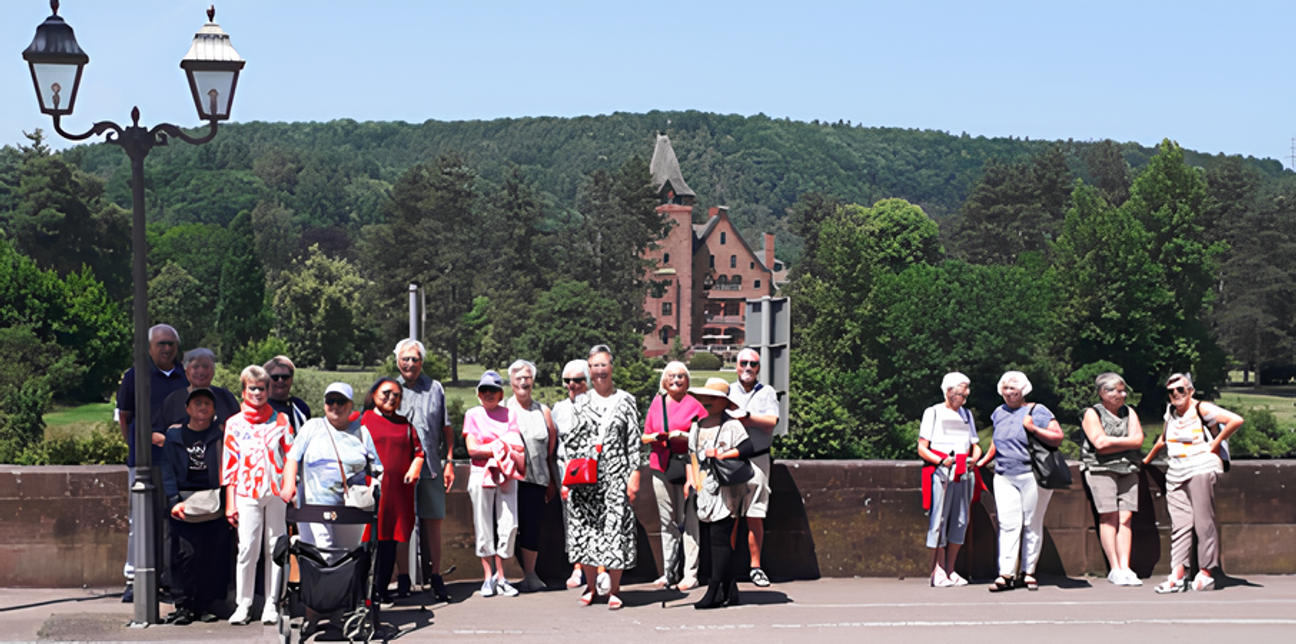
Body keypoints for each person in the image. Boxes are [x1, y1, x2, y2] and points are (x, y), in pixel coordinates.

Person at [280, 382, 381, 634]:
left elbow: (377, 468)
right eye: (330, 401)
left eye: (340, 401)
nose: (334, 406)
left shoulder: (361, 432)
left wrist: (373, 489)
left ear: (351, 405)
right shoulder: (312, 427)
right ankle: (313, 614)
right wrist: (289, 485)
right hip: (313, 506)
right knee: (319, 557)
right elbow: (292, 457)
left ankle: (337, 613)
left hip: (350, 509)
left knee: (344, 559)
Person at [1144, 373, 1243, 593]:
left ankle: (1206, 572)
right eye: (1171, 391)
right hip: (1175, 470)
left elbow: (1235, 420)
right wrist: (1146, 461)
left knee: (1203, 522)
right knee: (1180, 524)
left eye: (1180, 390)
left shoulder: (1201, 408)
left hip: (1201, 467)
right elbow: (1163, 439)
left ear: (1191, 391)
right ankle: (1178, 574)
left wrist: (1216, 443)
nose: (1176, 394)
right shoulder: (1170, 413)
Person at [115, 323, 189, 603]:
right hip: (144, 461)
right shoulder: (135, 376)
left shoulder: (185, 375)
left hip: (176, 463)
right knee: (140, 521)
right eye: (161, 344)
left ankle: (167, 579)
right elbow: (125, 416)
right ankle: (134, 579)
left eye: (171, 344)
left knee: (173, 521)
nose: (166, 349)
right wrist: (139, 444)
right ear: (149, 347)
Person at [563, 344, 640, 610]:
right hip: (586, 475)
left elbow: (634, 441)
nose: (599, 371)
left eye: (603, 365)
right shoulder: (581, 401)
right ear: (589, 370)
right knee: (586, 529)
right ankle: (591, 587)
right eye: (594, 366)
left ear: (611, 367)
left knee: (615, 529)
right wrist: (568, 476)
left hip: (616, 474)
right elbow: (572, 440)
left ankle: (614, 590)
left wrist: (634, 474)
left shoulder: (626, 400)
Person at [975, 371, 1064, 592]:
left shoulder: (1038, 411)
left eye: (1013, 389)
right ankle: (1006, 573)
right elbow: (997, 440)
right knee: (1008, 524)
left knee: (1031, 523)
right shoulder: (998, 412)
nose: (1009, 393)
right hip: (1004, 474)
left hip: (1031, 475)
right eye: (1005, 389)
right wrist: (983, 461)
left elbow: (1057, 437)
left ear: (1023, 390)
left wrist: (1033, 428)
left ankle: (1028, 571)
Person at [222, 365, 294, 625]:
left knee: (275, 548)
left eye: (261, 388)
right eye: (252, 388)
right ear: (244, 390)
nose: (257, 393)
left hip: (275, 492)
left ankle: (273, 603)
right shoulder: (234, 423)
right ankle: (244, 604)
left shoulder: (281, 420)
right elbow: (230, 464)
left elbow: (291, 456)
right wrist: (230, 503)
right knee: (247, 548)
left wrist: (289, 489)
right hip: (246, 492)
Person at [686, 378, 759, 609]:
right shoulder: (697, 425)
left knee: (720, 538)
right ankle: (729, 589)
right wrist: (692, 481)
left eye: (713, 398)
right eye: (705, 398)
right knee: (712, 539)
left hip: (727, 490)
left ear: (725, 402)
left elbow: (747, 448)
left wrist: (722, 455)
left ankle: (715, 589)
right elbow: (692, 455)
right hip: (704, 489)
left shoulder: (732, 425)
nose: (707, 402)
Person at [159, 389, 230, 625]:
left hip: (214, 502)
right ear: (187, 408)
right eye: (197, 403)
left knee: (211, 556)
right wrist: (173, 500)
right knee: (184, 555)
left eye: (207, 403)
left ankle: (205, 605)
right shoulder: (174, 436)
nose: (202, 407)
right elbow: (167, 469)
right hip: (184, 501)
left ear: (214, 410)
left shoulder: (221, 435)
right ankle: (184, 605)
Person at [395, 339, 456, 602]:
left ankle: (436, 576)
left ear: (422, 361)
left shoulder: (435, 388)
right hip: (402, 467)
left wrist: (450, 461)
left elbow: (446, 427)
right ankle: (403, 577)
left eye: (415, 359)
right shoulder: (391, 388)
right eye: (405, 359)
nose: (410, 364)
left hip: (431, 465)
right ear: (398, 361)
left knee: (433, 521)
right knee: (402, 523)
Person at [643, 361, 706, 590]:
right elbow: (645, 435)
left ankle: (690, 573)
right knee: (666, 519)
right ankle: (668, 571)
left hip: (688, 466)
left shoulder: (695, 405)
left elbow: (704, 436)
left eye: (680, 376)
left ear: (687, 381)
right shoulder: (657, 403)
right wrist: (658, 437)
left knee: (689, 520)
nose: (676, 380)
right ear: (664, 380)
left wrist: (684, 436)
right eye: (671, 376)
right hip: (661, 465)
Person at [463, 370, 526, 598]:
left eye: (493, 390)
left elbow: (516, 445)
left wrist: (489, 448)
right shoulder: (472, 414)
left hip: (506, 474)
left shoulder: (510, 414)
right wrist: (500, 447)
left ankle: (502, 576)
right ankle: (487, 576)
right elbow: (472, 449)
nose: (488, 394)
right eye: (484, 390)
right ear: (478, 394)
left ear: (501, 394)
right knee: (483, 524)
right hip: (481, 473)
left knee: (508, 524)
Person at [361, 378, 424, 603]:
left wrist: (416, 465)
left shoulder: (404, 424)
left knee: (390, 540)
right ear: (374, 394)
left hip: (398, 492)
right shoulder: (362, 421)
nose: (391, 398)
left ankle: (382, 590)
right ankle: (362, 592)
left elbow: (419, 452)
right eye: (386, 393)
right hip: (371, 491)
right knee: (369, 540)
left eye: (396, 395)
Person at [1079, 372, 1145, 587]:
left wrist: (1113, 442)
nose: (1122, 395)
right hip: (1100, 469)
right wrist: (1126, 442)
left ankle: (1126, 567)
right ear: (1103, 392)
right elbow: (1099, 443)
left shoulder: (1129, 412)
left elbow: (1138, 440)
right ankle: (1114, 568)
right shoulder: (1092, 413)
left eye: (1124, 391)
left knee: (1126, 517)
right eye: (1117, 391)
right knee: (1109, 516)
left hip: (1128, 468)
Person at [916, 372, 981, 588]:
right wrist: (941, 461)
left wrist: (975, 458)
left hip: (963, 471)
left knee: (961, 520)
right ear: (949, 391)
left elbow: (975, 443)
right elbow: (922, 448)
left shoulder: (966, 414)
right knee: (940, 519)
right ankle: (938, 568)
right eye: (961, 391)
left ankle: (951, 569)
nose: (965, 395)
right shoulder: (933, 412)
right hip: (942, 472)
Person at [504, 359, 559, 592]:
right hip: (510, 480)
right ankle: (502, 575)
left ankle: (530, 574)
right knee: (507, 526)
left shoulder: (543, 411)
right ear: (511, 382)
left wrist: (551, 480)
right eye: (518, 378)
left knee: (532, 526)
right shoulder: (504, 410)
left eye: (527, 377)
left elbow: (551, 447)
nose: (523, 382)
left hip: (537, 479)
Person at [727, 348, 779, 587]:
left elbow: (771, 422)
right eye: (743, 363)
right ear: (736, 365)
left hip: (758, 459)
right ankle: (726, 567)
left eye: (753, 364)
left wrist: (746, 418)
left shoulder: (767, 392)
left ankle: (755, 567)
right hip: (731, 460)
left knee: (755, 514)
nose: (748, 368)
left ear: (759, 368)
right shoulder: (727, 391)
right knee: (730, 515)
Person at [552, 359, 598, 590]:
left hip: (593, 468)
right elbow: (554, 443)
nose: (572, 384)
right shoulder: (559, 409)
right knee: (572, 520)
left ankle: (600, 567)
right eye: (567, 380)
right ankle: (578, 566)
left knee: (596, 519)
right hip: (566, 469)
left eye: (578, 380)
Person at [159, 348, 240, 430]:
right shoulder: (172, 400)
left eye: (205, 366)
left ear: (213, 371)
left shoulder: (226, 397)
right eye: (196, 367)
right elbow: (157, 432)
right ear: (187, 371)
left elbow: (240, 427)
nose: (201, 371)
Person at [265, 356, 312, 433]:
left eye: (285, 377)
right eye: (275, 377)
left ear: (292, 379)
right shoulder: (257, 408)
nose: (280, 380)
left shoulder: (301, 407)